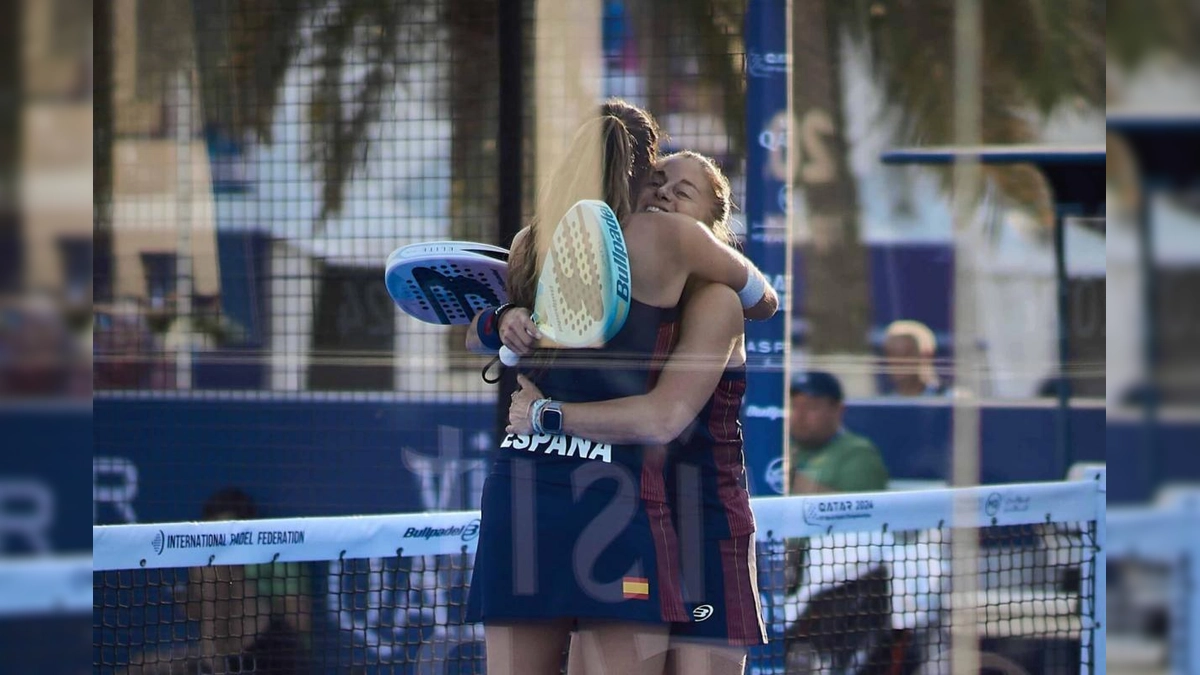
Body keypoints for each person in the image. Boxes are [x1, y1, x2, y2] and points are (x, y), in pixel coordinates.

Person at [464, 101, 776, 675]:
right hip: (618, 498)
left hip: (697, 517)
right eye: (660, 181)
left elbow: (665, 416)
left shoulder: (709, 295)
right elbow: (493, 330)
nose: (665, 196)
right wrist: (501, 318)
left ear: (714, 226)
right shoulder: (563, 246)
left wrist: (544, 413)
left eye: (683, 191)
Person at [788, 371, 888, 495]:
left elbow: (858, 510)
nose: (799, 416)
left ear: (838, 410)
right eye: (793, 406)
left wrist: (789, 479)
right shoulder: (781, 449)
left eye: (811, 407)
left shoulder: (858, 454)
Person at [881, 320, 945, 397]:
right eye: (891, 354)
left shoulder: (950, 401)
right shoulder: (886, 404)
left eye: (905, 354)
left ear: (926, 356)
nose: (897, 362)